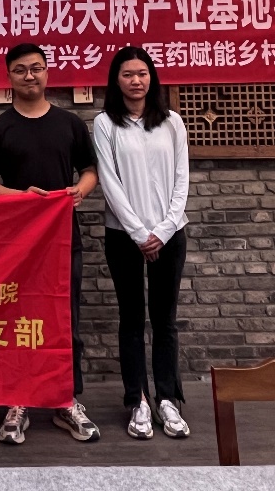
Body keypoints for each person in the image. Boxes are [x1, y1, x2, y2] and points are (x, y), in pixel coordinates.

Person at [0, 42, 101, 445]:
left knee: (66, 320)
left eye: (36, 68)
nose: (29, 76)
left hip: (64, 238)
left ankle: (66, 400)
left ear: (47, 72)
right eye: (20, 70)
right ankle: (18, 401)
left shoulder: (70, 124)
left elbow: (90, 171)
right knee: (17, 321)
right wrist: (22, 198)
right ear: (8, 77)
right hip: (15, 246)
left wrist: (79, 191)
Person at [92, 45, 191, 441]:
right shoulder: (105, 124)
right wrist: (138, 232)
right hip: (124, 237)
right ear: (116, 81)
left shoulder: (172, 122)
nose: (136, 81)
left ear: (152, 78)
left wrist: (163, 230)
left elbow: (182, 179)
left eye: (142, 73)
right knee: (132, 319)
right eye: (128, 74)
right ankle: (138, 400)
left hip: (170, 233)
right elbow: (109, 182)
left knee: (165, 320)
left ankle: (168, 398)